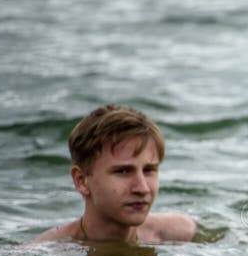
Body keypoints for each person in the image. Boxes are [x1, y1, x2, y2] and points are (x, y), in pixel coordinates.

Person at [34, 104, 196, 244]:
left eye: (149, 170)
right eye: (123, 171)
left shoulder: (180, 232)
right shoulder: (49, 251)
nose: (143, 188)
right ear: (81, 180)